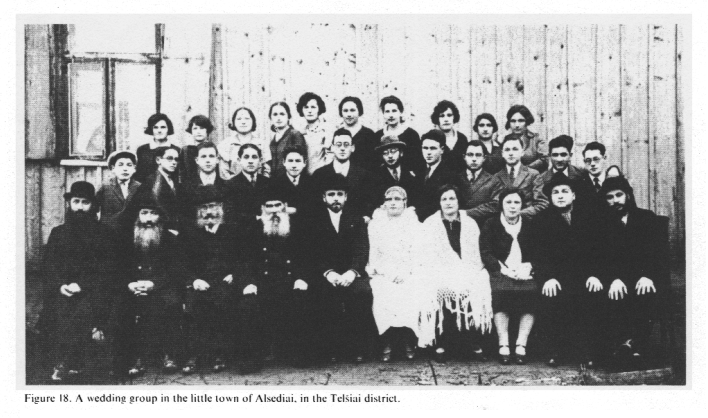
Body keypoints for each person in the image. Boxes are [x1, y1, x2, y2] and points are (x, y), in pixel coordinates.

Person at [40, 182, 118, 381]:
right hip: (63, 289)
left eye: (85, 202)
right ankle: (66, 362)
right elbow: (49, 266)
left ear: (93, 206)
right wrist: (60, 285)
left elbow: (107, 269)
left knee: (83, 308)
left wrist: (82, 285)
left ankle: (69, 363)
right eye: (76, 202)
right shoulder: (58, 233)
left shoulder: (105, 234)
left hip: (95, 289)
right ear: (70, 204)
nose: (80, 207)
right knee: (59, 307)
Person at [112, 194, 192, 377]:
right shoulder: (126, 239)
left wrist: (153, 284)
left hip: (161, 285)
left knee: (170, 303)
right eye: (144, 213)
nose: (148, 218)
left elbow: (175, 269)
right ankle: (133, 358)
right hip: (133, 286)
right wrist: (130, 284)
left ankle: (169, 354)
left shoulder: (170, 239)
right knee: (121, 307)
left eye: (153, 213)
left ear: (160, 217)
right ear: (137, 216)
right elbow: (118, 267)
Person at [235, 188, 314, 371]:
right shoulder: (253, 229)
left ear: (285, 206)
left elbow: (307, 257)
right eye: (269, 206)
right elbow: (244, 260)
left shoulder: (297, 228)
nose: (274, 210)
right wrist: (248, 282)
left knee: (302, 299)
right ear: (263, 208)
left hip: (290, 280)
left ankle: (298, 353)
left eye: (277, 205)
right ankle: (252, 358)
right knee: (247, 305)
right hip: (261, 282)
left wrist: (301, 278)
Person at [535, 173, 606, 366]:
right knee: (552, 296)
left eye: (564, 191)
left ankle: (587, 351)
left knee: (591, 295)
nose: (560, 195)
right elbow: (538, 253)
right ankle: (555, 350)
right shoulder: (541, 220)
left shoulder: (588, 217)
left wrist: (595, 275)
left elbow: (599, 250)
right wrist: (548, 277)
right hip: (556, 277)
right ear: (550, 197)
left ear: (573, 195)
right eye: (555, 192)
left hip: (585, 275)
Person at [181, 186, 252, 374]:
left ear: (220, 208)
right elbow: (182, 262)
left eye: (213, 206)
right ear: (198, 211)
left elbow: (244, 258)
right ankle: (195, 355)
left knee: (223, 303)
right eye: (204, 208)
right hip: (200, 282)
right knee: (194, 305)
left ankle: (220, 354)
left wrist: (235, 274)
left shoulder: (234, 230)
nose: (209, 212)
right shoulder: (190, 233)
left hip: (226, 280)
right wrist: (194, 280)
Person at [420, 185, 493, 362]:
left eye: (452, 198)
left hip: (468, 268)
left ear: (459, 201)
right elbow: (426, 254)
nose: (448, 203)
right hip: (439, 270)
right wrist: (447, 270)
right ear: (439, 203)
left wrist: (465, 270)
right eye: (444, 199)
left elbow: (476, 253)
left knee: (476, 285)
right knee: (439, 288)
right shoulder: (430, 223)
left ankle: (473, 341)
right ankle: (441, 343)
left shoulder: (470, 223)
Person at [600, 176, 667, 368]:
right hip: (617, 279)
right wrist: (613, 279)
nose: (615, 201)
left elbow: (658, 253)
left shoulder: (646, 218)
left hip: (644, 276)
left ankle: (634, 345)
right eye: (609, 197)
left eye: (619, 195)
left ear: (628, 195)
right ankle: (623, 345)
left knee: (644, 292)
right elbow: (599, 257)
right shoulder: (602, 223)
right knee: (612, 295)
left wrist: (648, 276)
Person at [309, 174, 374, 363]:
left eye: (339, 194)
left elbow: (362, 249)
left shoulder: (356, 219)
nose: (335, 198)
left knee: (361, 293)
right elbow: (313, 252)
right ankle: (331, 348)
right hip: (327, 274)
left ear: (346, 197)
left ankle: (358, 348)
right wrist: (328, 272)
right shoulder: (315, 220)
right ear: (324, 198)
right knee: (323, 295)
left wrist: (352, 272)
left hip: (351, 272)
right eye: (331, 194)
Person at [366, 186, 427, 361]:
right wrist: (388, 273)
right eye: (389, 199)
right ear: (384, 203)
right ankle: (387, 341)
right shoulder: (375, 225)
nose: (393, 203)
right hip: (383, 272)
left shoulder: (414, 224)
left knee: (410, 290)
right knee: (382, 291)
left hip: (409, 271)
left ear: (405, 202)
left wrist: (406, 272)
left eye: (397, 199)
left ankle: (408, 340)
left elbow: (418, 253)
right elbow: (373, 255)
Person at [480, 188, 538, 365]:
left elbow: (539, 250)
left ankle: (521, 344)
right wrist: (501, 268)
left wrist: (529, 266)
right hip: (500, 270)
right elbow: (485, 251)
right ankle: (503, 343)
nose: (512, 206)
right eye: (508, 202)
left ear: (522, 205)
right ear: (501, 205)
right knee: (500, 291)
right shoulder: (491, 224)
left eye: (517, 202)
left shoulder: (529, 224)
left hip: (525, 271)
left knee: (531, 292)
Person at [311, 128, 375, 218]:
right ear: (332, 147)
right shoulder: (319, 175)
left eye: (346, 145)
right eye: (338, 145)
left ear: (352, 148)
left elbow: (369, 203)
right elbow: (315, 204)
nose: (342, 148)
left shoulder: (364, 175)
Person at [489, 134, 548, 220]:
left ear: (522, 152)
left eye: (515, 149)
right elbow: (494, 204)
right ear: (502, 153)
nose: (511, 153)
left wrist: (517, 214)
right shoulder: (496, 177)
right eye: (507, 150)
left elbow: (542, 203)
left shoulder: (533, 174)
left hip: (528, 221)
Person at [132, 145, 184, 231]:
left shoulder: (174, 181)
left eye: (176, 159)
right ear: (158, 160)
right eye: (169, 158)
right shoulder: (151, 182)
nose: (174, 162)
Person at [418, 129, 464, 221]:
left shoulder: (450, 175)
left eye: (433, 148)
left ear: (442, 150)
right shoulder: (420, 172)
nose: (428, 152)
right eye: (425, 148)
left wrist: (416, 213)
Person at [534, 135, 593, 205]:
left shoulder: (582, 174)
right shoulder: (541, 179)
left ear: (570, 155)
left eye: (563, 155)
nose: (559, 159)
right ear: (549, 156)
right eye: (555, 155)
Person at [374, 96, 425, 175]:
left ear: (400, 112)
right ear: (383, 114)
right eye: (387, 111)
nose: (391, 115)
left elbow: (418, 162)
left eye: (394, 111)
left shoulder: (411, 134)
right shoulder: (378, 135)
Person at [370, 135, 423, 211]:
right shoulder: (376, 176)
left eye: (393, 151)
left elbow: (417, 199)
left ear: (401, 153)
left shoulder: (410, 173)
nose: (390, 156)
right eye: (385, 153)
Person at [182, 142, 231, 223]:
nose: (207, 160)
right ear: (197, 160)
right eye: (203, 156)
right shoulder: (186, 187)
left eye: (211, 156)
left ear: (217, 160)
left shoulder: (228, 186)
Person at [267, 146, 318, 221]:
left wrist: (295, 210)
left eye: (298, 161)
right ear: (284, 162)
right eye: (290, 161)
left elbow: (316, 210)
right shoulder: (274, 184)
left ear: (304, 163)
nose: (294, 165)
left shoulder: (312, 183)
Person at [219, 107, 272, 180]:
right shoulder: (225, 144)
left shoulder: (262, 144)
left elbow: (266, 171)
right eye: (239, 119)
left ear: (253, 121)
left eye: (247, 119)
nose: (243, 122)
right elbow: (224, 172)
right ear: (233, 122)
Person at [96, 150, 141, 232]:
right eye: (120, 165)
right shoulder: (105, 187)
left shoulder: (139, 187)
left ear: (134, 169)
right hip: (109, 232)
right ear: (113, 168)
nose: (125, 169)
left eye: (129, 165)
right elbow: (94, 209)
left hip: (132, 231)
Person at [459, 140, 499, 227]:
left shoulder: (494, 181)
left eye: (478, 155)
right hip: (458, 225)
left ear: (484, 158)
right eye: (470, 155)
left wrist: (466, 213)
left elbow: (495, 205)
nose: (474, 159)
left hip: (482, 226)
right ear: (464, 157)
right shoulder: (455, 179)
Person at [498, 105, 547, 172]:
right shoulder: (504, 140)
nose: (517, 125)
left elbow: (544, 160)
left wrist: (524, 170)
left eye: (521, 121)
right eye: (513, 121)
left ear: (527, 121)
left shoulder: (536, 139)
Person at [227, 144, 271, 219]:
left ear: (260, 160)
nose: (250, 161)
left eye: (254, 157)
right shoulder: (230, 185)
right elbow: (231, 214)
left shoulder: (269, 183)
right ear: (239, 160)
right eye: (246, 157)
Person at [135, 113, 178, 183]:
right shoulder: (142, 150)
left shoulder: (176, 150)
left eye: (163, 127)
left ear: (168, 129)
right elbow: (139, 175)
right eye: (155, 127)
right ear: (151, 129)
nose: (159, 130)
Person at [339, 96, 378, 172]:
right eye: (345, 111)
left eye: (352, 110)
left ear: (359, 111)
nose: (349, 114)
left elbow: (374, 163)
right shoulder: (338, 134)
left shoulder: (369, 134)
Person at [268, 101, 308, 177]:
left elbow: (301, 163)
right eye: (275, 114)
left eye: (282, 114)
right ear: (271, 118)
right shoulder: (273, 140)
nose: (278, 118)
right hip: (275, 180)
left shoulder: (295, 135)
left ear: (288, 117)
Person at [297, 92, 334, 174]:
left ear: (319, 109)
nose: (309, 111)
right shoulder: (300, 133)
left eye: (313, 107)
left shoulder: (326, 131)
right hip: (303, 177)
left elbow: (330, 158)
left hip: (321, 176)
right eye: (306, 107)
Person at [431, 100, 468, 172]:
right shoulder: (431, 139)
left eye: (449, 115)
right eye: (442, 116)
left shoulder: (462, 138)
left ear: (454, 117)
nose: (446, 119)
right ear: (437, 119)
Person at [180, 115, 214, 183]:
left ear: (207, 130)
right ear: (191, 131)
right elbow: (182, 174)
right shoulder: (186, 150)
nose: (198, 132)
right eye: (195, 128)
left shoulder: (212, 149)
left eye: (202, 128)